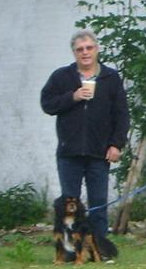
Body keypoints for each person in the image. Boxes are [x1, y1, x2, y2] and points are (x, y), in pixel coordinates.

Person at [40, 29, 130, 253]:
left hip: (99, 152)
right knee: (69, 205)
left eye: (89, 48)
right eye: (80, 49)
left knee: (98, 204)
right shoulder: (62, 77)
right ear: (74, 53)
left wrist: (116, 144)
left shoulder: (110, 78)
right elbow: (47, 104)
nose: (85, 53)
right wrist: (73, 96)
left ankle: (99, 251)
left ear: (97, 49)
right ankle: (70, 252)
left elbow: (121, 114)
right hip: (69, 152)